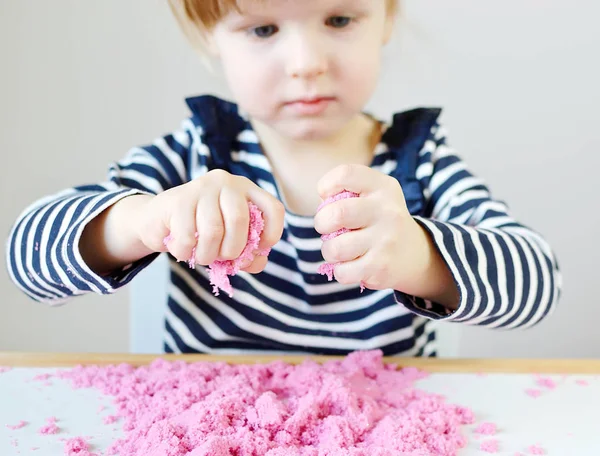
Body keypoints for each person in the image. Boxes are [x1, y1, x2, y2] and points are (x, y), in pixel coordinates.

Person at [5, 0, 561, 356]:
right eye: (263, 28)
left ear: (386, 17)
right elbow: (25, 259)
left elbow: (538, 286)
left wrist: (422, 257)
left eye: (339, 20)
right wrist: (146, 220)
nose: (305, 62)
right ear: (210, 40)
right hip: (211, 427)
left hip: (377, 427)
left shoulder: (418, 161)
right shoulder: (200, 151)